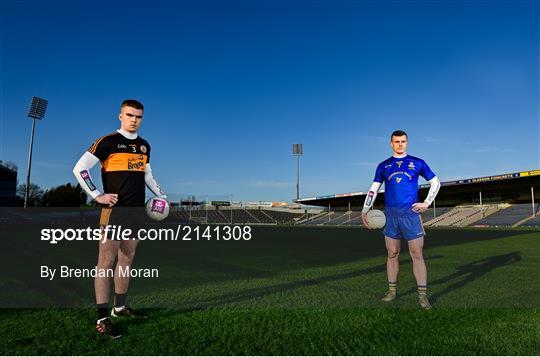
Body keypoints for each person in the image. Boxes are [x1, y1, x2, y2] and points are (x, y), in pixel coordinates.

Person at [73, 99, 167, 338]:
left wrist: (162, 196)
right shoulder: (107, 142)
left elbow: (147, 175)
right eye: (129, 115)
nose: (134, 119)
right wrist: (97, 195)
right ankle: (102, 319)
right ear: (120, 116)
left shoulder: (144, 146)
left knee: (127, 258)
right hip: (114, 211)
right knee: (105, 264)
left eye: (138, 116)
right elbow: (80, 169)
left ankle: (120, 308)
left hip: (136, 213)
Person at [361, 130, 440, 310]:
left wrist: (426, 202)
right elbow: (373, 190)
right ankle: (392, 291)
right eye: (396, 141)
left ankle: (422, 297)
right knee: (392, 253)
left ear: (407, 142)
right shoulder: (383, 166)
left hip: (411, 214)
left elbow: (436, 182)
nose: (400, 144)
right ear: (391, 143)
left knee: (417, 254)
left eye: (403, 141)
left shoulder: (417, 163)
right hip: (391, 215)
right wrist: (365, 210)